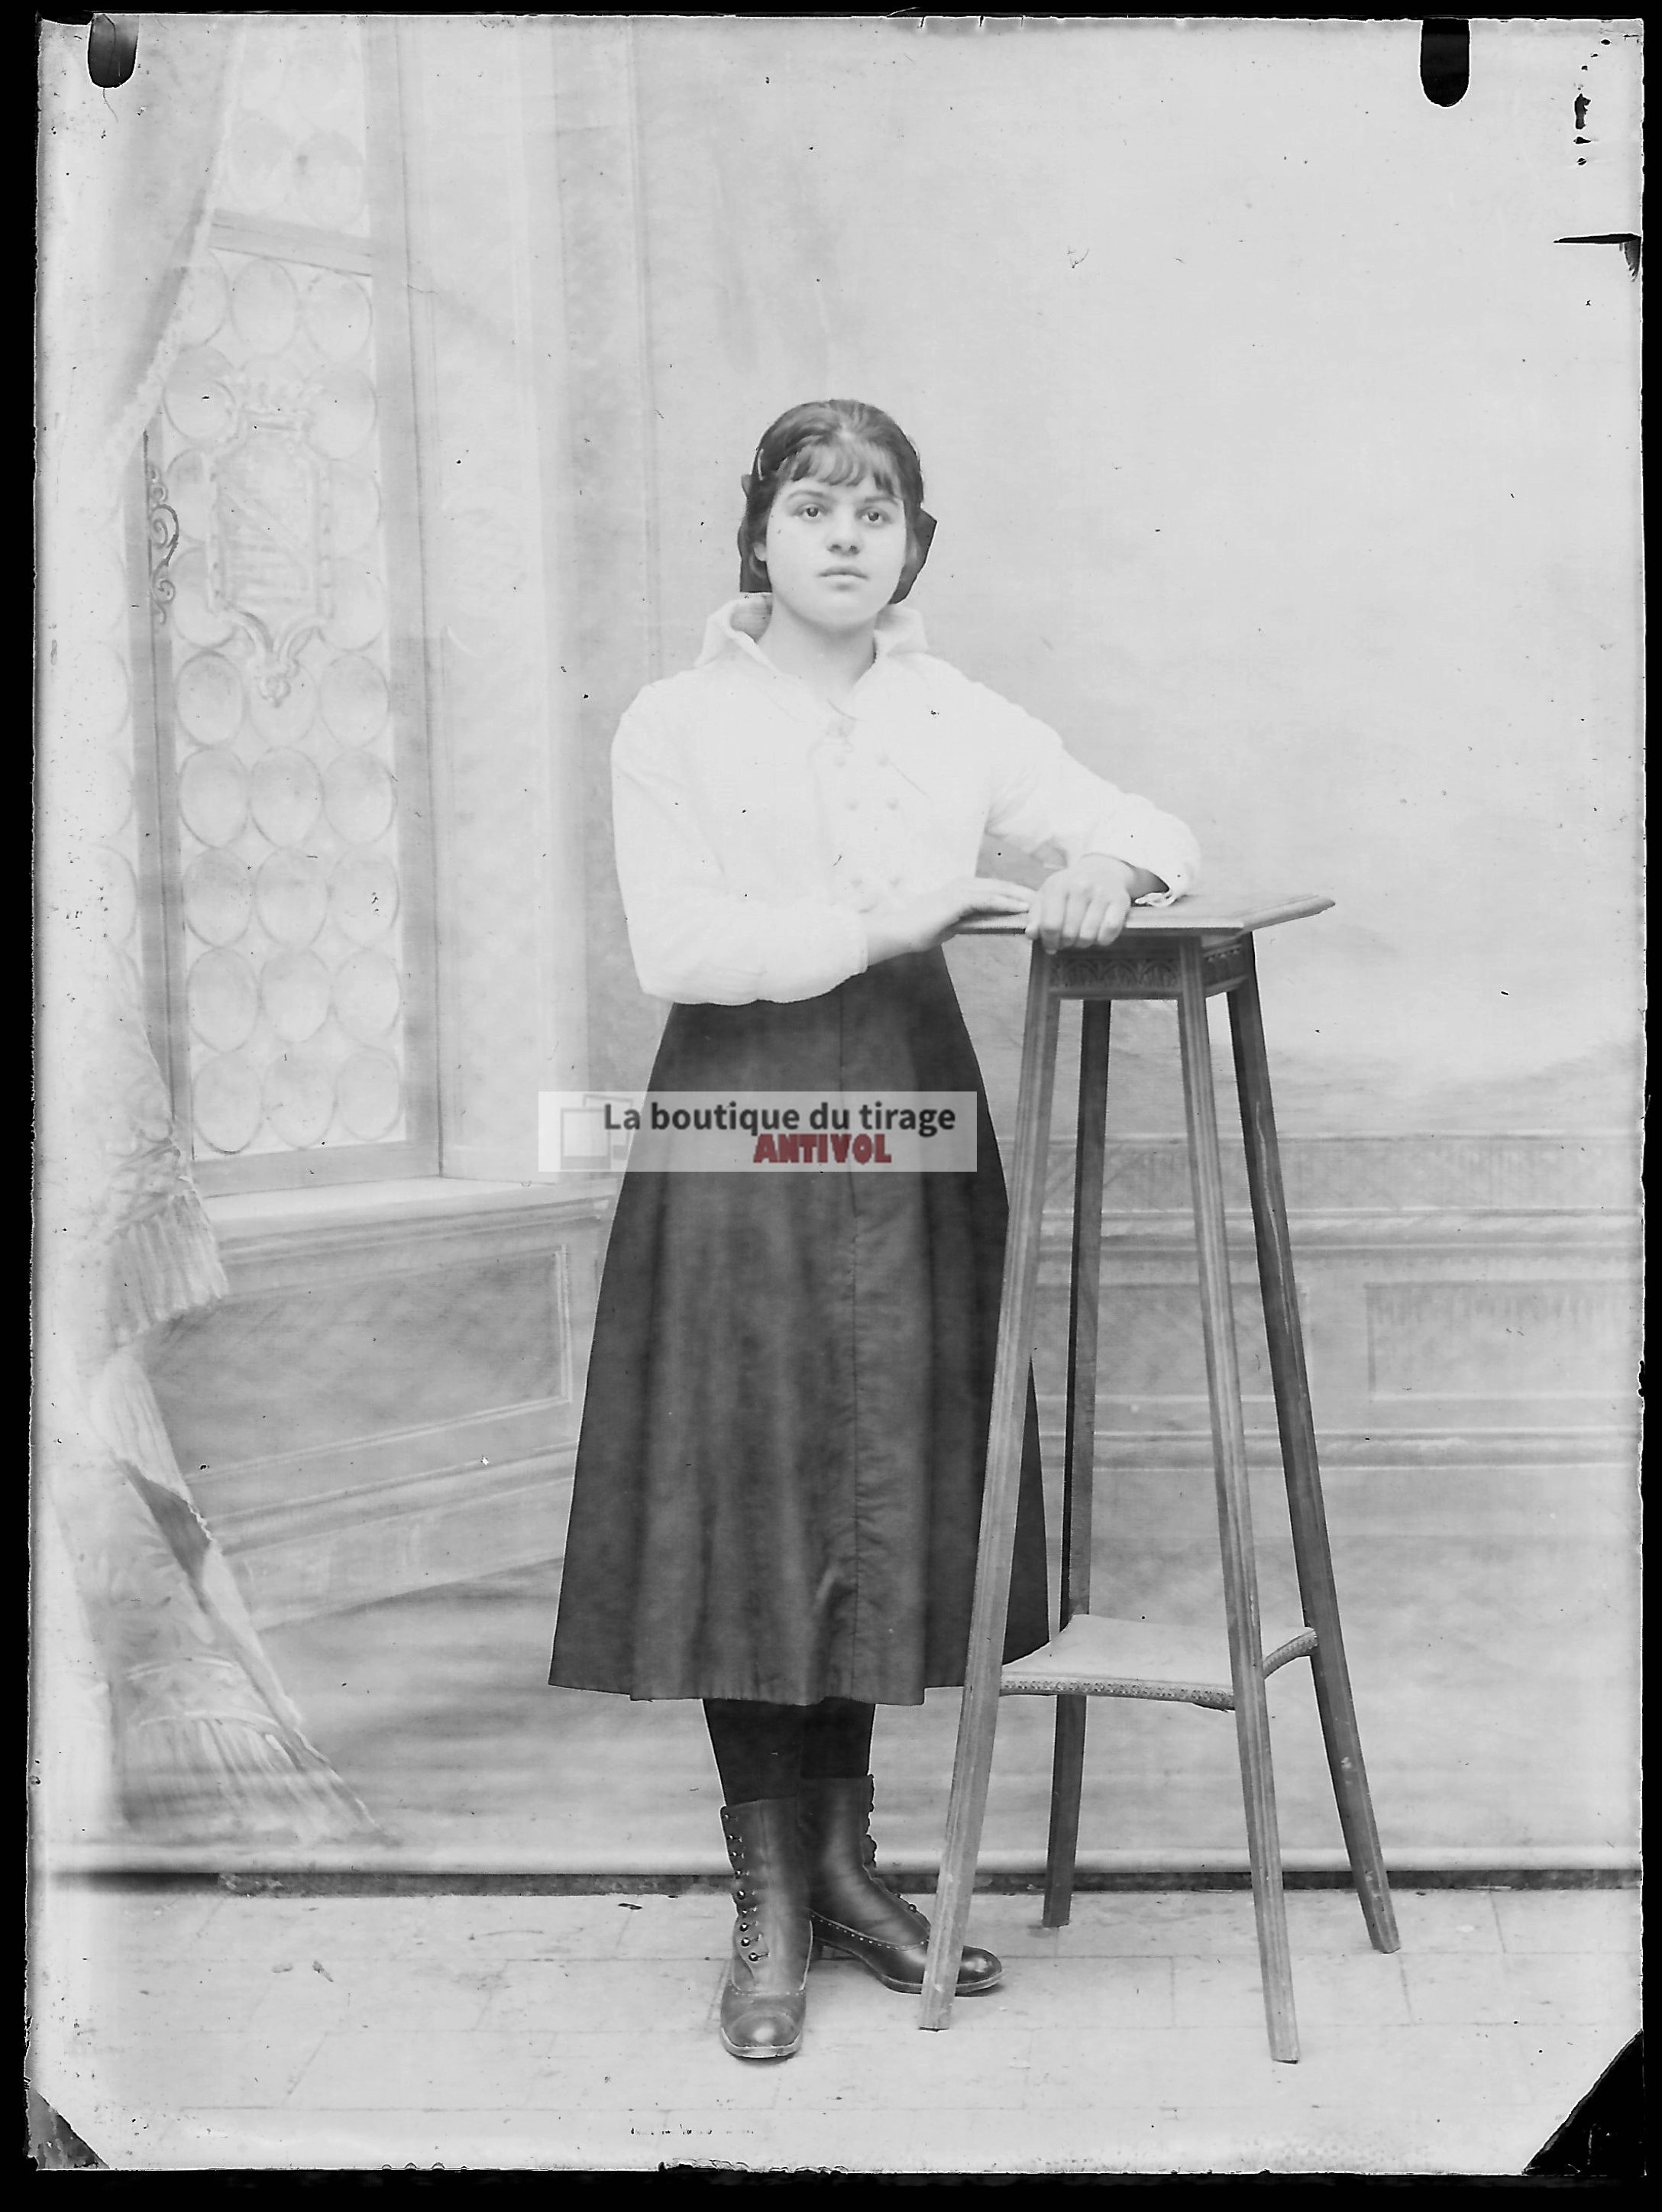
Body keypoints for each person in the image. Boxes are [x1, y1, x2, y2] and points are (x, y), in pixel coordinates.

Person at [550, 400, 1200, 2061]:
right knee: (751, 1482)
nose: (844, 534)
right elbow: (678, 946)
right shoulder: (675, 720)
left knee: (872, 1483)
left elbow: (1145, 821)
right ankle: (769, 1896)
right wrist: (888, 916)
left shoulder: (950, 712)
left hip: (912, 1113)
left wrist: (1107, 871)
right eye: (811, 505)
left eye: (877, 510)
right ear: (758, 533)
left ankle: (846, 1868)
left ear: (915, 544)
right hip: (741, 1117)